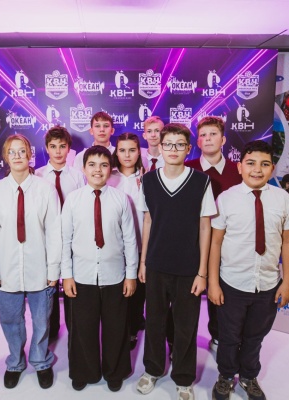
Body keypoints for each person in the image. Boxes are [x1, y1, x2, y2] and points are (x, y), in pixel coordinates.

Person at [208, 140, 289, 400]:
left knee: (255, 335)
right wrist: (213, 283)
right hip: (232, 283)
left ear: (272, 169)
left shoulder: (282, 199)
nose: (257, 169)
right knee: (228, 335)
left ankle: (248, 376)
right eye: (250, 163)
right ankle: (226, 376)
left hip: (267, 284)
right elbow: (215, 243)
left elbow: (288, 241)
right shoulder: (226, 199)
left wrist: (288, 282)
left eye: (264, 164)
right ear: (239, 167)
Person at [136, 123, 216, 400]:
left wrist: (202, 272)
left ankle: (183, 377)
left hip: (188, 268)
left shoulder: (201, 181)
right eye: (168, 144)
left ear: (188, 149)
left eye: (179, 144)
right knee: (154, 322)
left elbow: (205, 226)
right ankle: (152, 369)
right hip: (156, 265)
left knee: (185, 326)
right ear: (160, 147)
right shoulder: (148, 181)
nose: (173, 149)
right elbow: (148, 221)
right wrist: (143, 262)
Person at [0, 134, 62, 390]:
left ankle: (41, 361)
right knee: (10, 320)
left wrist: (54, 269)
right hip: (7, 268)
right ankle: (15, 362)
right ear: (5, 157)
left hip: (39, 266)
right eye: (12, 152)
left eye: (22, 151)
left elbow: (54, 231)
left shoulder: (45, 189)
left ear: (30, 155)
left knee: (41, 320)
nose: (17, 156)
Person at [61, 145, 138, 392]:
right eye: (92, 165)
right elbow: (64, 240)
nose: (98, 170)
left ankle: (115, 371)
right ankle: (84, 371)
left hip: (115, 275)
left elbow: (130, 239)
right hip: (81, 275)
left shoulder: (121, 199)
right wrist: (66, 275)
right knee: (82, 327)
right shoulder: (73, 200)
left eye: (104, 165)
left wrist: (131, 275)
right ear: (83, 169)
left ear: (110, 169)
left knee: (116, 327)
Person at [184, 115, 242, 352]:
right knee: (189, 294)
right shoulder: (187, 169)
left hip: (227, 244)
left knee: (221, 293)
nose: (208, 139)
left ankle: (218, 337)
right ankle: (183, 342)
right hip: (193, 243)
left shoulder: (238, 171)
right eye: (203, 135)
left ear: (223, 139)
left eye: (213, 134)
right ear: (198, 142)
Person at [35, 126, 86, 340]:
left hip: (73, 236)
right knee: (50, 283)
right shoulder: (37, 175)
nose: (58, 151)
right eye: (53, 146)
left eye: (62, 146)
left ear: (69, 149)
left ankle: (76, 328)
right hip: (47, 237)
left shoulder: (78, 176)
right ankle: (52, 328)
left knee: (73, 281)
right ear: (47, 148)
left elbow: (83, 205)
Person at [107, 132, 146, 349]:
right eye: (122, 150)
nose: (127, 155)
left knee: (138, 290)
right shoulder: (109, 177)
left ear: (139, 152)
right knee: (119, 291)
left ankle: (133, 328)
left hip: (141, 244)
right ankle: (120, 328)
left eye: (132, 150)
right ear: (116, 152)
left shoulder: (147, 178)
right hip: (115, 246)